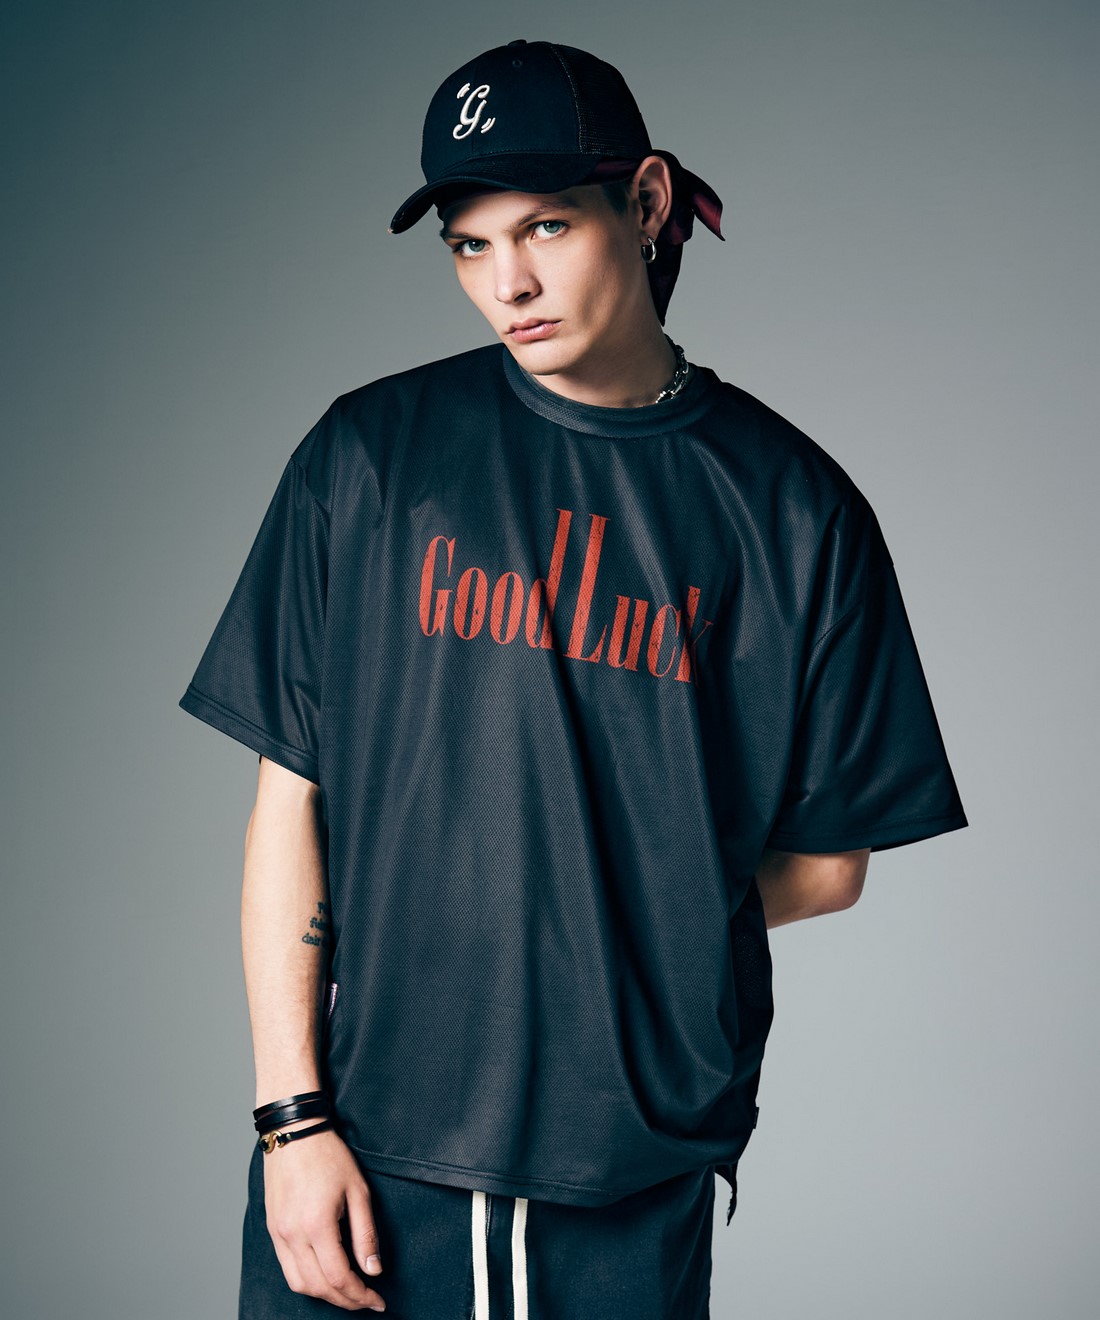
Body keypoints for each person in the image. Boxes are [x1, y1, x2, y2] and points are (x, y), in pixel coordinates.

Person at [178, 38, 968, 1319]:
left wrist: (595, 921)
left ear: (645, 203)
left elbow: (829, 868)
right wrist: (290, 1122)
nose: (510, 283)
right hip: (355, 1157)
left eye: (546, 225)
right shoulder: (367, 459)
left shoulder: (790, 510)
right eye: (470, 245)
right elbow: (289, 806)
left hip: (621, 1175)